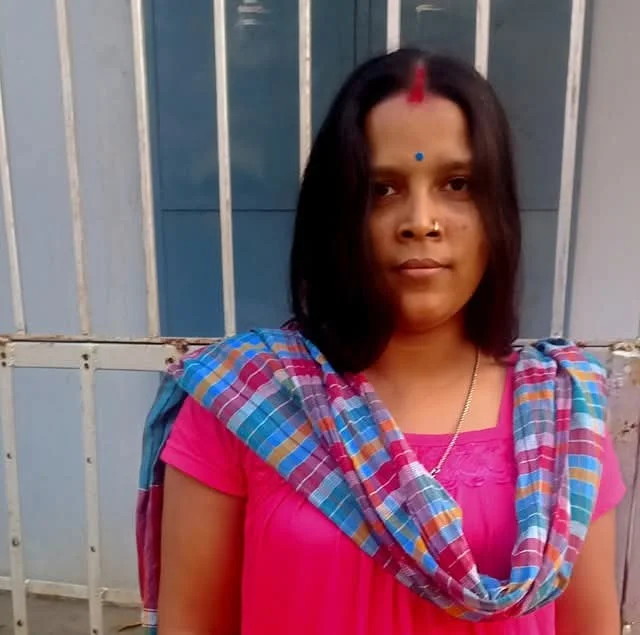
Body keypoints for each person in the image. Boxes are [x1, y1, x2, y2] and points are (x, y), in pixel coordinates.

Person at [136, 49, 626, 635]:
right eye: (383, 189)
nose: (421, 221)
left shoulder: (563, 416)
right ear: (337, 212)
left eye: (457, 184)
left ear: (496, 212)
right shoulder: (246, 403)